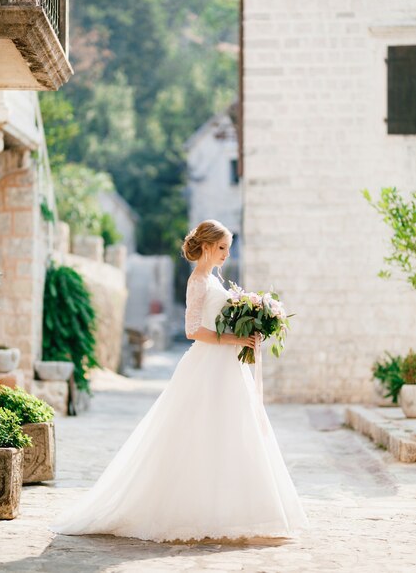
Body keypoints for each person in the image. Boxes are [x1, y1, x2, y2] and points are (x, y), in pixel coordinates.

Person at [50, 219, 309, 542]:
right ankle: (189, 510)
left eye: (228, 247)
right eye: (221, 248)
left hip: (227, 366)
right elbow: (192, 330)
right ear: (206, 247)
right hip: (208, 364)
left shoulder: (214, 278)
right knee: (197, 432)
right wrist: (234, 340)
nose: (227, 254)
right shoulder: (198, 280)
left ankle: (235, 510)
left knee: (234, 431)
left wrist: (248, 327)